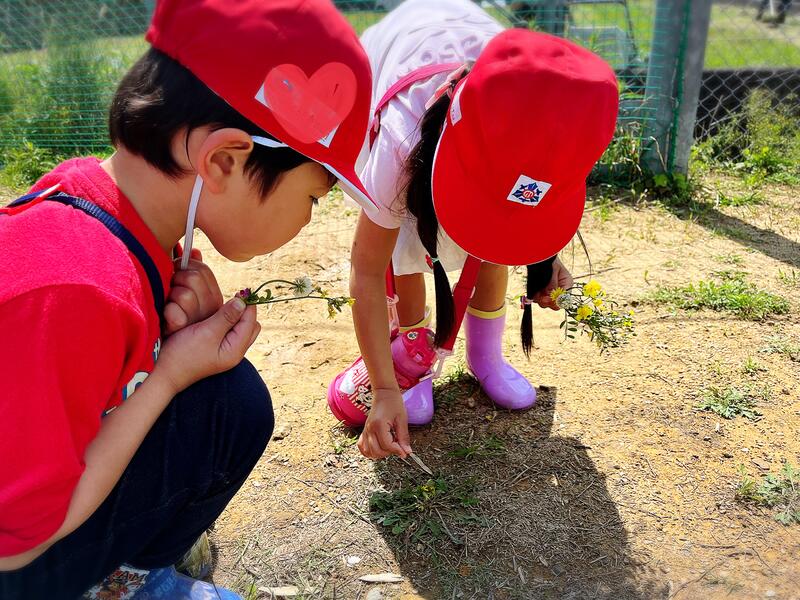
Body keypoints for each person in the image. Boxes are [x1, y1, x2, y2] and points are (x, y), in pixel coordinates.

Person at [0, 0, 375, 598]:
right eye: (312, 196)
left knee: (228, 402)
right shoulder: (78, 287)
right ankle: (125, 587)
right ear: (222, 161)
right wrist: (169, 373)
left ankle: (131, 573)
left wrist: (166, 340)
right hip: (17, 553)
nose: (307, 218)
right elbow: (15, 540)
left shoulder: (104, 210)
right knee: (223, 401)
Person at [326, 0, 619, 461]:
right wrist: (384, 389)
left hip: (483, 87)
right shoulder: (402, 142)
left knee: (495, 243)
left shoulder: (559, 127)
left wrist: (546, 257)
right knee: (408, 242)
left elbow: (523, 207)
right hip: (408, 55)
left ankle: (486, 357)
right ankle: (414, 355)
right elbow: (367, 270)